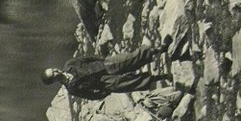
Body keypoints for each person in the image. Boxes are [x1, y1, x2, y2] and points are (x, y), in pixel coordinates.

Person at [42, 35, 179, 100]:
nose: (56, 70)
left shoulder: (69, 65)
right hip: (104, 82)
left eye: (53, 69)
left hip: (105, 65)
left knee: (131, 58)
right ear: (54, 80)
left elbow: (86, 58)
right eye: (53, 74)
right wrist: (104, 92)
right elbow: (90, 95)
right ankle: (163, 77)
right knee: (131, 82)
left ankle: (160, 49)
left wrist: (103, 59)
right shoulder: (72, 89)